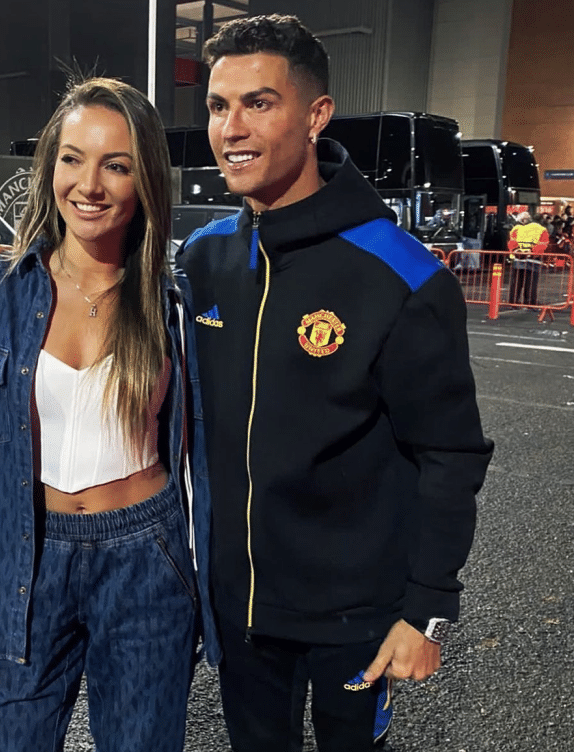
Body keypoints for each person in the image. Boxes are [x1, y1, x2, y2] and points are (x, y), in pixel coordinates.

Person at [176, 14, 493, 752]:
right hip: (240, 607)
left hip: (358, 614)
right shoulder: (204, 260)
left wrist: (426, 609)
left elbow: (450, 454)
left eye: (259, 103)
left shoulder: (400, 273)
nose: (232, 128)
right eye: (219, 106)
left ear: (316, 115)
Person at [0, 77, 219, 752]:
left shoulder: (174, 304)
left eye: (116, 165)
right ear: (50, 166)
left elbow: (206, 452)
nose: (89, 185)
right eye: (72, 158)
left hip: (147, 559)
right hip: (24, 557)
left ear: (145, 179)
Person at [507, 211, 548, 305]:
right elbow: (543, 244)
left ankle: (513, 301)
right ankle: (530, 301)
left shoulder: (516, 229)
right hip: (533, 259)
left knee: (516, 282)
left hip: (518, 259)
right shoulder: (541, 229)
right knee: (531, 282)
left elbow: (512, 242)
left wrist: (516, 251)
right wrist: (533, 252)